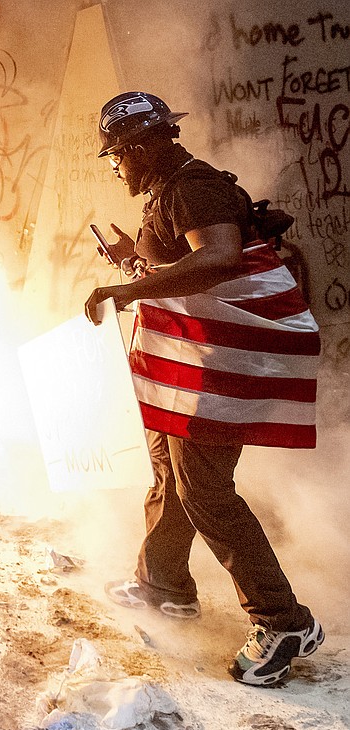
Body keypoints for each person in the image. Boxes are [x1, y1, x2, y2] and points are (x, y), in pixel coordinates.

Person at [83, 92, 323, 687]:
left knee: (205, 491)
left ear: (142, 146)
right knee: (171, 473)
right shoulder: (172, 191)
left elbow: (218, 257)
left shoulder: (195, 187)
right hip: (187, 364)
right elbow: (180, 266)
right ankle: (164, 583)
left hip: (214, 369)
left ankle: (283, 620)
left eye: (118, 156)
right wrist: (131, 262)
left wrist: (128, 292)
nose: (117, 168)